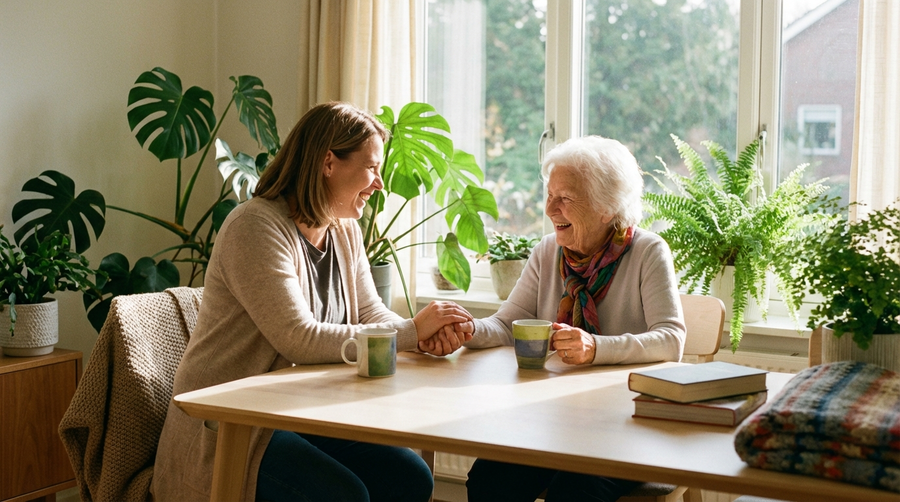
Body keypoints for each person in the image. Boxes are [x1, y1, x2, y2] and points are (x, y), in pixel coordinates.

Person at [151, 102, 474, 502]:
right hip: (235, 425)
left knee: (410, 478)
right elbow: (299, 338)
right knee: (344, 496)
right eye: (372, 168)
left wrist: (423, 337)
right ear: (328, 163)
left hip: (300, 411)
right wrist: (411, 331)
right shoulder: (254, 227)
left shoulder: (344, 230)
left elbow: (369, 312)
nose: (379, 184)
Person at [425, 135, 686, 502]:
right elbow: (507, 324)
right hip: (553, 419)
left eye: (565, 198)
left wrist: (595, 347)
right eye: (549, 195)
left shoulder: (647, 252)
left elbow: (671, 340)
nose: (550, 209)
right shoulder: (548, 251)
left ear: (606, 207)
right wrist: (469, 328)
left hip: (625, 425)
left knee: (575, 490)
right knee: (490, 478)